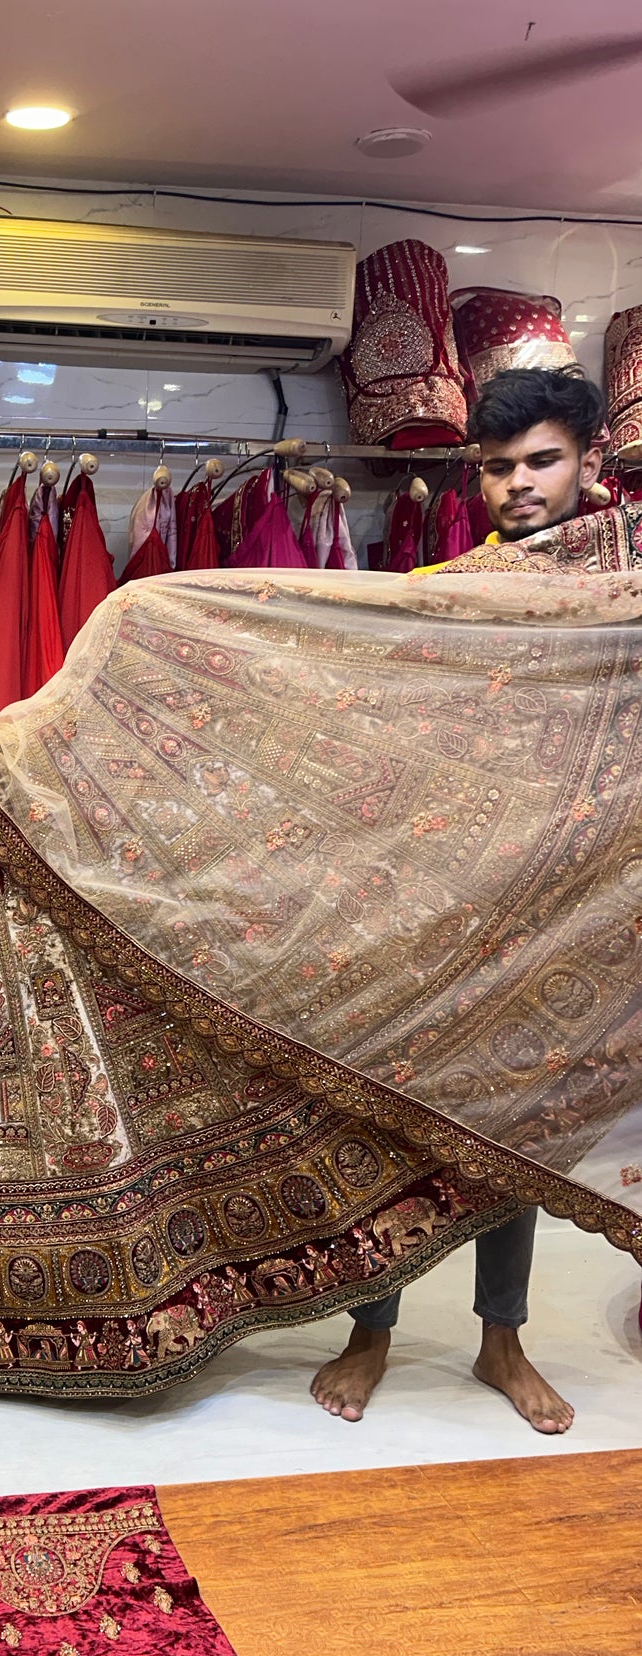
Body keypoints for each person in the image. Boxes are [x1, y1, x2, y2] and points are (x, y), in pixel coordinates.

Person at [310, 365, 607, 1435]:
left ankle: (500, 1340)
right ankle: (369, 1329)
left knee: (511, 1128)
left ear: (588, 462)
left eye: (540, 462)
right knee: (387, 1112)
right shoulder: (460, 586)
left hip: (566, 903)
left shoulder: (621, 588)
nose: (516, 486)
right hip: (442, 896)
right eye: (495, 468)